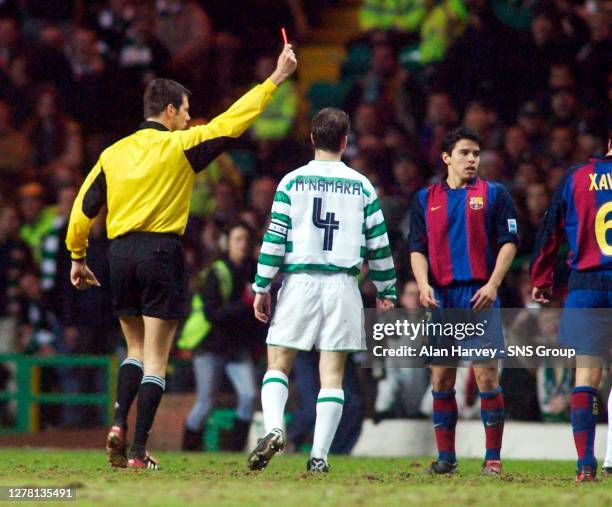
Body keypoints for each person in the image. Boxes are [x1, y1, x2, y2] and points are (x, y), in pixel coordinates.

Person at [65, 44, 297, 470]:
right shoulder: (181, 147)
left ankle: (117, 422)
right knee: (157, 359)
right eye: (187, 110)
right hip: (161, 251)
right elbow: (232, 123)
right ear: (169, 110)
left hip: (119, 254)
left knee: (133, 349)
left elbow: (82, 209)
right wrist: (275, 80)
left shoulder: (112, 154)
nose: (191, 119)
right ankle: (137, 451)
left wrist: (78, 258)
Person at [247, 107, 396, 473]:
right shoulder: (362, 186)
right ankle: (319, 458)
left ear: (313, 139)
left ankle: (274, 429)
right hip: (343, 286)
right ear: (345, 141)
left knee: (278, 363)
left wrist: (262, 285)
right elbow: (379, 243)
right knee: (333, 374)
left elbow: (274, 238)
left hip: (299, 282)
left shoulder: (291, 182)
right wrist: (386, 288)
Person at [409, 127, 518, 476]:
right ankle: (447, 459)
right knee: (441, 380)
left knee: (486, 378)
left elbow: (509, 241)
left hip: (479, 296)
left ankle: (493, 458)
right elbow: (417, 248)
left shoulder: (494, 194)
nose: (472, 159)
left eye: (476, 153)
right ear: (446, 158)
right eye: (465, 153)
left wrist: (493, 284)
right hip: (442, 299)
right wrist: (423, 284)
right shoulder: (426, 198)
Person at [530, 136, 611, 482]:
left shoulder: (576, 178)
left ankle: (585, 466)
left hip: (585, 287)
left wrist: (542, 277)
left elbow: (550, 231)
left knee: (585, 379)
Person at [179, 221, 263, 452]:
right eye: (238, 239)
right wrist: (244, 304)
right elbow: (212, 314)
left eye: (246, 239)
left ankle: (236, 451)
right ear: (227, 243)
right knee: (206, 402)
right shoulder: (217, 272)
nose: (243, 244)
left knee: (248, 395)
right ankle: (188, 451)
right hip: (211, 348)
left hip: (237, 348)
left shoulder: (255, 271)